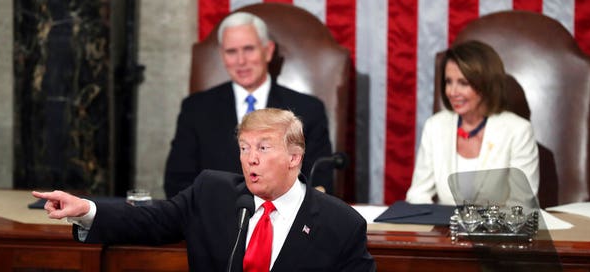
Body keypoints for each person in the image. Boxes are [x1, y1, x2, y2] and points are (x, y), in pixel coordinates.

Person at [33, 108, 375, 272]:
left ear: (294, 157)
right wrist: (87, 210)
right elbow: (152, 220)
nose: (250, 160)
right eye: (244, 148)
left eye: (264, 148)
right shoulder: (213, 193)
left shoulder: (341, 225)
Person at [164, 12, 333, 198]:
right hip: (215, 220)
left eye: (249, 49)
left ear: (268, 51)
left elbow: (319, 181)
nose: (241, 61)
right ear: (222, 56)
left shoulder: (307, 110)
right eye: (231, 52)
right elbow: (177, 182)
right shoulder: (195, 109)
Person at [405, 40, 539, 206]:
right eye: (448, 81)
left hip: (498, 230)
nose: (452, 92)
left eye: (463, 83)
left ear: (486, 84)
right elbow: (418, 194)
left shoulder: (518, 131)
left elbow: (522, 204)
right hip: (445, 229)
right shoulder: (435, 126)